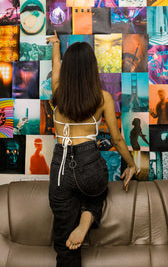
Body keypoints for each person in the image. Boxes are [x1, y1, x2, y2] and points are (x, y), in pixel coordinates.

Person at [46, 31, 138, 267]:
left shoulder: (57, 93)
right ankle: (86, 219)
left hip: (60, 168)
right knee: (97, 189)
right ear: (91, 68)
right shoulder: (102, 97)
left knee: (64, 245)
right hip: (89, 162)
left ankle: (75, 233)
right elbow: (117, 139)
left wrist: (56, 45)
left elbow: (56, 69)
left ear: (68, 70)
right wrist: (131, 164)